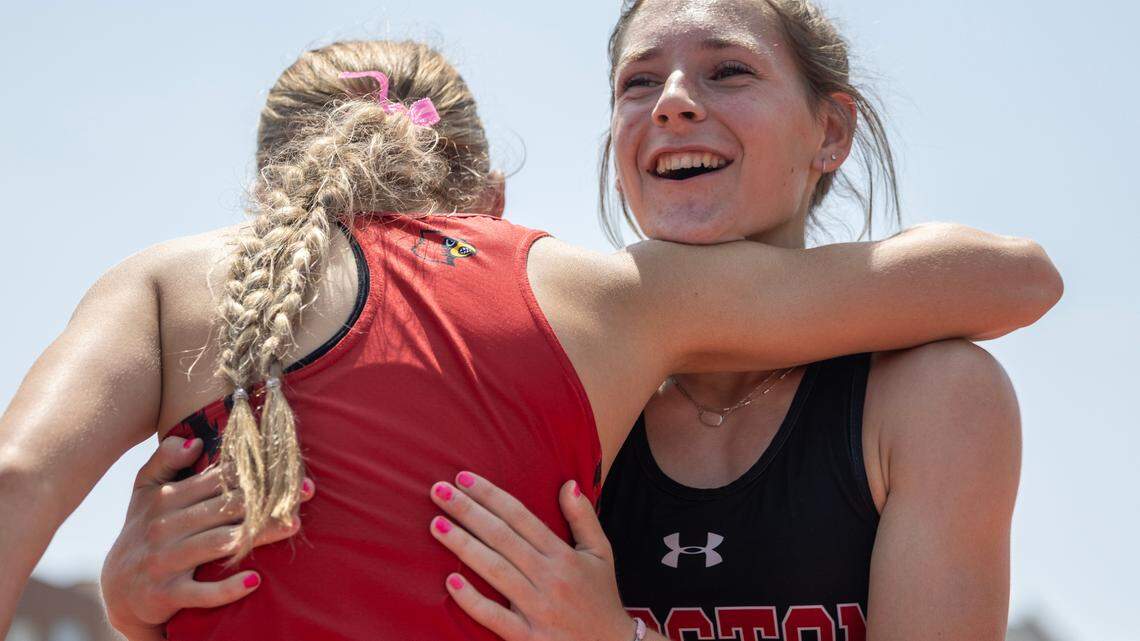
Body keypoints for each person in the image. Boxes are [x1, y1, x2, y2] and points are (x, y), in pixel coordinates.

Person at [81, 27, 1055, 641]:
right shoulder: (536, 368)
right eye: (638, 85)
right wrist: (141, 602)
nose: (673, 99)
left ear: (829, 134)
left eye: (727, 69)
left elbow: (1023, 274)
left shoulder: (930, 396)